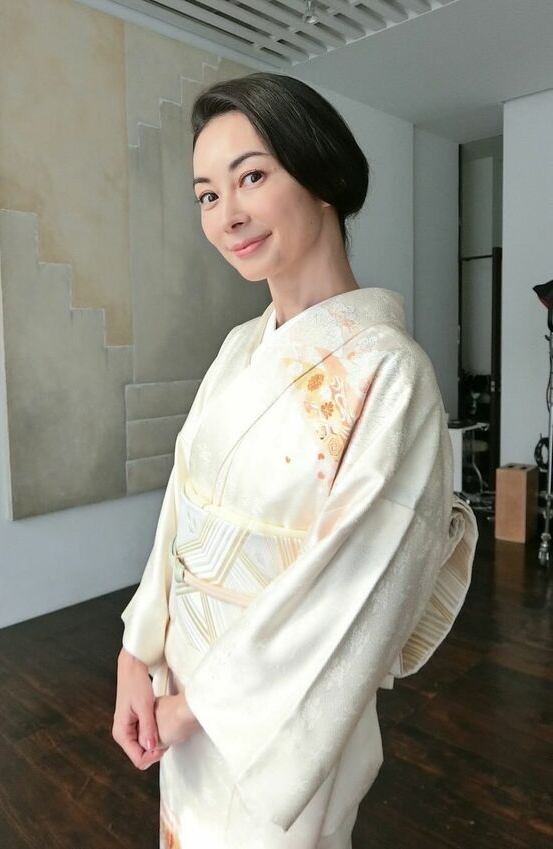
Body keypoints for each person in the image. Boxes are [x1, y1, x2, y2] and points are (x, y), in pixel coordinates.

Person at [112, 72, 478, 849]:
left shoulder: (391, 374)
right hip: (182, 683)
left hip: (272, 710)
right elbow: (183, 508)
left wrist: (198, 707)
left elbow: (358, 585)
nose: (227, 215)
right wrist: (135, 653)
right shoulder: (238, 348)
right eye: (207, 194)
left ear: (323, 177)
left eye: (251, 177)